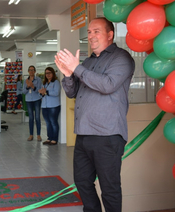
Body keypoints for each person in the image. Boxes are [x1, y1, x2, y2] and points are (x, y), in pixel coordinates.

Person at [54, 17, 135, 212]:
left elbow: (107, 85)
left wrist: (76, 68)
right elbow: (72, 93)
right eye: (89, 32)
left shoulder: (121, 58)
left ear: (110, 34)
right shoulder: (88, 62)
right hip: (84, 134)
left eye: (96, 31)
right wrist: (67, 75)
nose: (91, 36)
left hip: (107, 136)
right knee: (82, 182)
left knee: (110, 189)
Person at [38, 67, 60, 145]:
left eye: (49, 73)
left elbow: (56, 93)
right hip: (44, 106)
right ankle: (49, 138)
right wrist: (41, 93)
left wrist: (46, 92)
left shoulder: (56, 82)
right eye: (46, 73)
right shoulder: (44, 83)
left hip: (53, 106)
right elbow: (41, 95)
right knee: (48, 123)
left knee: (53, 122)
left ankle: (54, 139)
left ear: (53, 73)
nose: (48, 75)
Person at [22, 65, 42, 141]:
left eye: (33, 70)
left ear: (35, 71)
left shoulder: (39, 80)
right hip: (28, 100)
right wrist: (27, 86)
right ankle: (31, 135)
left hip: (37, 99)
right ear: (28, 71)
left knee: (37, 117)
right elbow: (23, 91)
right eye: (30, 70)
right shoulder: (25, 81)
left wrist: (33, 86)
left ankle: (38, 135)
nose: (31, 71)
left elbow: (40, 90)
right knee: (31, 118)